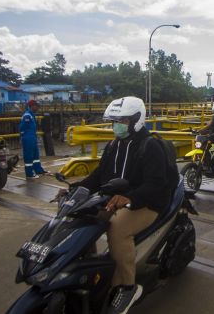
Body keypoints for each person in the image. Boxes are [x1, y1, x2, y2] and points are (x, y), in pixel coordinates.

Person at [73, 96, 172, 314]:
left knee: (117, 228)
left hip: (147, 203)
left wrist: (130, 198)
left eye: (121, 121)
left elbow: (156, 184)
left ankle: (127, 286)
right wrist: (78, 189)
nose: (116, 126)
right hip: (115, 200)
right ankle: (89, 268)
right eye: (114, 121)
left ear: (136, 119)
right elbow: (99, 175)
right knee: (81, 216)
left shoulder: (150, 145)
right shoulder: (114, 145)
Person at [19, 100, 47, 179]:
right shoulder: (27, 115)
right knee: (29, 156)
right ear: (31, 106)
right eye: (36, 106)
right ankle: (29, 173)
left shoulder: (32, 115)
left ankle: (38, 169)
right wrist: (22, 136)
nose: (37, 107)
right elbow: (22, 127)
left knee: (35, 155)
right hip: (28, 138)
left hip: (32, 137)